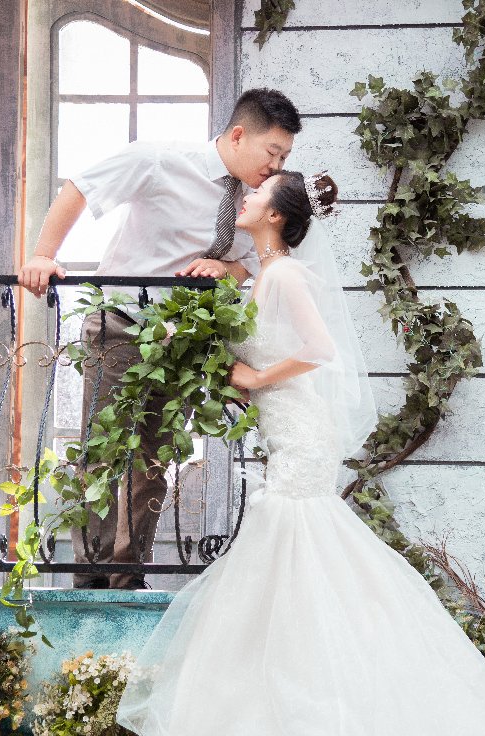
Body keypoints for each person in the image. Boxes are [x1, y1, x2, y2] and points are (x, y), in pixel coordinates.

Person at [114, 172, 485, 735]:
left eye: (258, 194)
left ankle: (316, 688)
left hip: (303, 435)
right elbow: (276, 352)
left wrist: (257, 377)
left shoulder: (286, 274)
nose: (247, 196)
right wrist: (230, 373)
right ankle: (289, 681)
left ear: (275, 216)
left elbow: (319, 348)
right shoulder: (266, 274)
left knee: (292, 539)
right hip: (284, 428)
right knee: (295, 549)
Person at [17, 89, 302, 591]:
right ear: (239, 135)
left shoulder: (258, 201)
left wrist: (228, 268)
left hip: (185, 340)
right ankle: (90, 578)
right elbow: (81, 187)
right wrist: (43, 254)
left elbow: (258, 258)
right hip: (123, 324)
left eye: (284, 157)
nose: (276, 166)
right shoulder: (159, 159)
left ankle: (127, 575)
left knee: (153, 460)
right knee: (104, 452)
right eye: (272, 152)